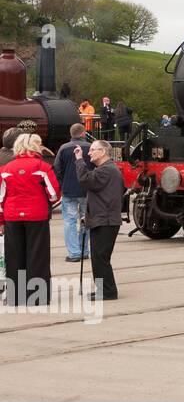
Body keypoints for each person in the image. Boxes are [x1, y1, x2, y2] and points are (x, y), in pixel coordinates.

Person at [0, 133, 61, 305]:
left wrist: (1, 220)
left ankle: (14, 297)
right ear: (35, 147)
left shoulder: (6, 169)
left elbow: (0, 197)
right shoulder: (42, 166)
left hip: (12, 216)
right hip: (36, 215)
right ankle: (37, 297)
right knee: (38, 255)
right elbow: (54, 195)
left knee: (14, 256)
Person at [75, 140, 124, 300]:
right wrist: (87, 214)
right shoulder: (106, 169)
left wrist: (79, 160)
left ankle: (108, 291)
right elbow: (102, 196)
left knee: (100, 258)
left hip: (106, 221)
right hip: (103, 218)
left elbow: (85, 180)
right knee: (99, 257)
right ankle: (105, 289)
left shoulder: (106, 170)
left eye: (92, 150)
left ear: (102, 152)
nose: (89, 153)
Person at [52, 123, 92, 263]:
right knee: (85, 221)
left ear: (71, 134)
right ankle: (84, 251)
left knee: (69, 221)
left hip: (69, 190)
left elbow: (57, 168)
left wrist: (63, 184)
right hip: (87, 190)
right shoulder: (90, 147)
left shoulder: (63, 148)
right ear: (83, 133)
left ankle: (74, 253)